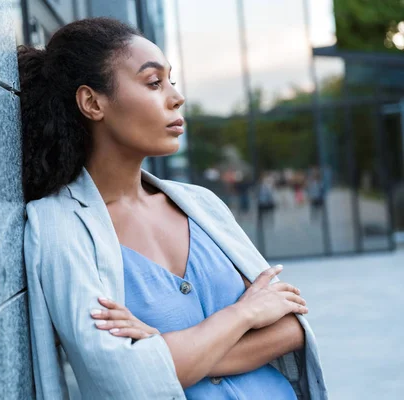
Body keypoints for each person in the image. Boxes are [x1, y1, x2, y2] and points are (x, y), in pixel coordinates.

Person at [20, 18, 327, 400]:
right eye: (153, 83)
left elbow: (291, 327)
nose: (176, 97)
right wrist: (243, 314)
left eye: (171, 81)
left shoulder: (201, 204)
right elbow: (124, 379)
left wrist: (162, 349)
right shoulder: (61, 225)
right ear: (92, 103)